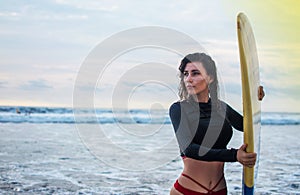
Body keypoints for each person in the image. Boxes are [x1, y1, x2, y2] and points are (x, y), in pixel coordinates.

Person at [169, 53, 264, 195]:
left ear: (210, 78)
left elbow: (247, 126)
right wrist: (234, 155)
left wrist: (255, 99)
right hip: (187, 190)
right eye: (185, 74)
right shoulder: (178, 109)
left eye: (195, 73)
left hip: (220, 190)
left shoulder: (221, 108)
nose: (188, 79)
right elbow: (189, 149)